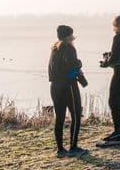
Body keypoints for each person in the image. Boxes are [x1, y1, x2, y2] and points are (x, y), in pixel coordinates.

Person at [48, 25, 88, 157]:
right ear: (68, 36)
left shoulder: (54, 48)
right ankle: (73, 146)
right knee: (76, 115)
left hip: (54, 86)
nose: (73, 37)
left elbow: (54, 69)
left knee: (59, 117)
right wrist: (79, 64)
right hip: (68, 86)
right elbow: (73, 65)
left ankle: (60, 149)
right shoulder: (69, 47)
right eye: (71, 35)